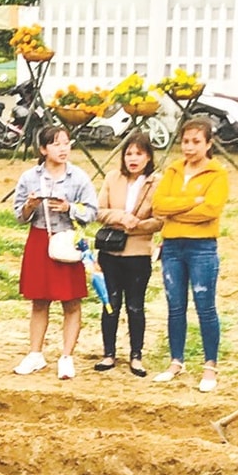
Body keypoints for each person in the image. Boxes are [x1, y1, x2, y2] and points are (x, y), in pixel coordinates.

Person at [12, 124, 99, 380]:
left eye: (66, 143)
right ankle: (35, 354)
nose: (63, 148)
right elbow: (18, 215)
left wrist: (69, 208)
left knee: (71, 301)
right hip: (39, 239)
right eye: (56, 143)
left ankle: (66, 356)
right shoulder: (30, 177)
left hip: (68, 241)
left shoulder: (79, 177)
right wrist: (29, 206)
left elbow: (92, 212)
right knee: (39, 300)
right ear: (43, 149)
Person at [150, 116, 229, 391]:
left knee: (205, 306)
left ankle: (210, 366)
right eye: (185, 141)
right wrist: (191, 202)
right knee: (175, 306)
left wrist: (177, 211)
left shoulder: (217, 173)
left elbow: (210, 210)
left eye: (196, 142)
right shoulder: (173, 170)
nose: (189, 147)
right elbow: (158, 205)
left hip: (202, 247)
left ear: (208, 144)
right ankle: (176, 361)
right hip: (171, 246)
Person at [93, 131, 161, 376]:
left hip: (138, 252)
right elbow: (99, 210)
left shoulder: (157, 182)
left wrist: (138, 226)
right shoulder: (113, 178)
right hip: (110, 251)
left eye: (139, 154)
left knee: (135, 305)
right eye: (129, 153)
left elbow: (160, 219)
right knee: (110, 303)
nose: (133, 159)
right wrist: (123, 218)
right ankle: (109, 353)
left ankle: (136, 356)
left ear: (148, 157)